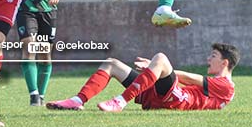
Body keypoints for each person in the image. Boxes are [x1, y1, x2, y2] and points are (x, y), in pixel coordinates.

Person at [46, 43, 238, 112]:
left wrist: (156, 67)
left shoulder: (227, 86)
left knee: (161, 58)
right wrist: (154, 70)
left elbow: (190, 78)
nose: (208, 59)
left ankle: (120, 101)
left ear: (225, 63)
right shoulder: (216, 86)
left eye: (213, 56)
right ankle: (77, 101)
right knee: (111, 63)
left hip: (177, 100)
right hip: (162, 97)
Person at [16, 0, 68, 106]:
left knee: (45, 54)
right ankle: (34, 96)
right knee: (29, 48)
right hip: (25, 6)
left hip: (47, 8)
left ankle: (42, 95)